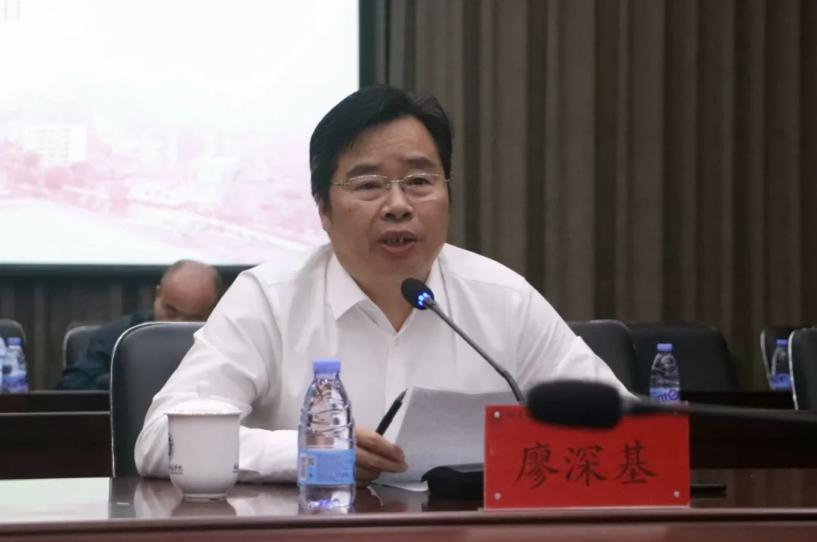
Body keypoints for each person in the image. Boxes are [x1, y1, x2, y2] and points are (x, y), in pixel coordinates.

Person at [135, 85, 630, 486]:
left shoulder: (503, 299)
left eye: (419, 182)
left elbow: (624, 430)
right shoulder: (268, 300)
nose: (398, 205)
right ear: (323, 209)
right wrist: (311, 450)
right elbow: (162, 440)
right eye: (369, 185)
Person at [54, 260, 222, 391]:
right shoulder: (121, 336)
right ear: (157, 295)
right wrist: (124, 380)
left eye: (193, 318)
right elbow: (69, 392)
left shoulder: (224, 343)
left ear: (213, 311)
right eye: (170, 312)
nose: (177, 323)